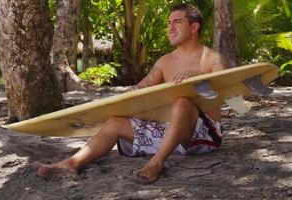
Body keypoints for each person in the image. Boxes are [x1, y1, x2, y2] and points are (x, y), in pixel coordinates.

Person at [37, 3, 229, 184]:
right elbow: (140, 89)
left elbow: (226, 85)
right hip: (171, 131)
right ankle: (73, 163)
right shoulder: (165, 61)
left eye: (177, 22)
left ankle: (157, 162)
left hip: (204, 136)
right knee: (114, 123)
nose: (170, 27)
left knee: (182, 102)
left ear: (194, 27)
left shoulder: (212, 59)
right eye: (169, 23)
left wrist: (199, 76)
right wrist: (115, 102)